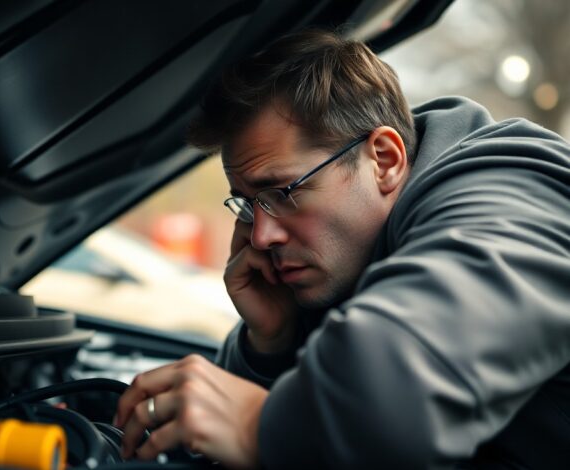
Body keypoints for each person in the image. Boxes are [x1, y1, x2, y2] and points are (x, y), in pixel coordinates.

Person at [113, 29, 570, 469]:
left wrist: (260, 425)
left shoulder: (510, 192)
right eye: (249, 204)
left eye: (282, 191)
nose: (261, 237)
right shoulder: (351, 253)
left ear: (384, 161)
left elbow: (394, 406)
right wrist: (271, 344)